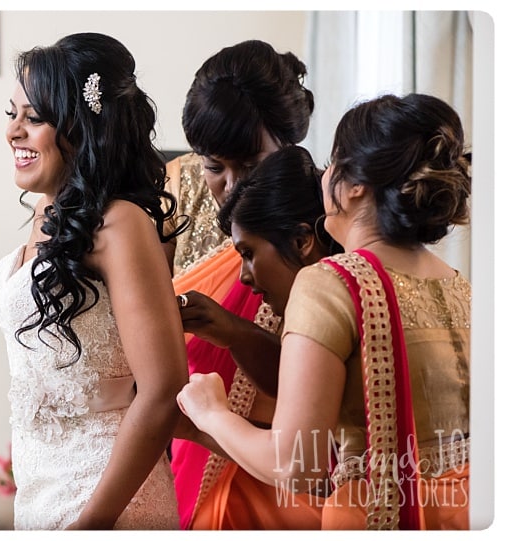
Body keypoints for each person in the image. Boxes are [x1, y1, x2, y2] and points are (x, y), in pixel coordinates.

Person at [177, 93, 471, 530]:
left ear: (355, 186)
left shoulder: (333, 281)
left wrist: (210, 413)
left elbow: (297, 465)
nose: (323, 175)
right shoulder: (458, 284)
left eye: (333, 162)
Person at [0, 32, 188, 530]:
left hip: (105, 497)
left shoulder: (120, 224)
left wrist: (91, 524)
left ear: (81, 128)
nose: (14, 132)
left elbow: (163, 389)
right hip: (37, 488)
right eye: (11, 115)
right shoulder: (45, 210)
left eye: (34, 118)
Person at [163, 39, 316, 528]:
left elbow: (311, 375)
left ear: (288, 142)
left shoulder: (314, 207)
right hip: (181, 440)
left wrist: (231, 332)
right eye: (214, 166)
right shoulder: (174, 193)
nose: (231, 185)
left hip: (276, 464)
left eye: (250, 165)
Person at [177, 145, 341, 529]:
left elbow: (311, 468)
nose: (244, 276)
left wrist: (211, 415)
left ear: (303, 241)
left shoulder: (329, 307)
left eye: (249, 254)